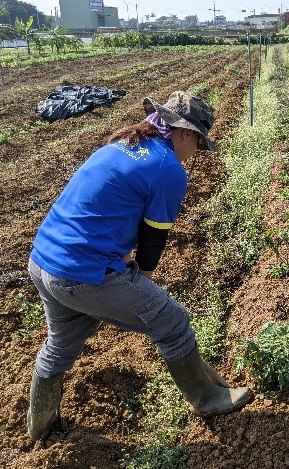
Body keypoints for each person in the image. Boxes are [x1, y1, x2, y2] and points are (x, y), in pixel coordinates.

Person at [26, 91, 252, 441]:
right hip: (83, 272)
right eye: (198, 144)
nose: (195, 155)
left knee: (60, 344)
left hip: (44, 261)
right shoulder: (168, 169)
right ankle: (208, 397)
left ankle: (39, 427)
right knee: (172, 321)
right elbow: (153, 238)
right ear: (185, 133)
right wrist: (141, 283)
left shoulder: (120, 144)